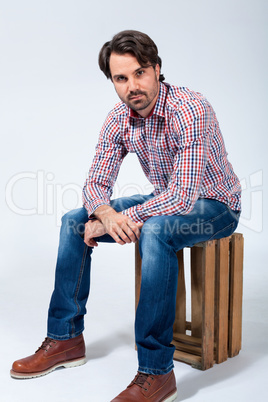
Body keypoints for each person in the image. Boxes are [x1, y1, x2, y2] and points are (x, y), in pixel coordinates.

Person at [10, 30, 241, 402]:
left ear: (156, 69)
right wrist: (105, 213)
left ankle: (156, 373)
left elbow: (183, 195)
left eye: (139, 73)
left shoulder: (191, 108)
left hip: (215, 205)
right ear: (113, 81)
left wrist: (125, 217)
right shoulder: (120, 117)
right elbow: (95, 184)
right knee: (74, 220)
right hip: (164, 199)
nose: (132, 86)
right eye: (121, 78)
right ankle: (66, 337)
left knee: (156, 231)